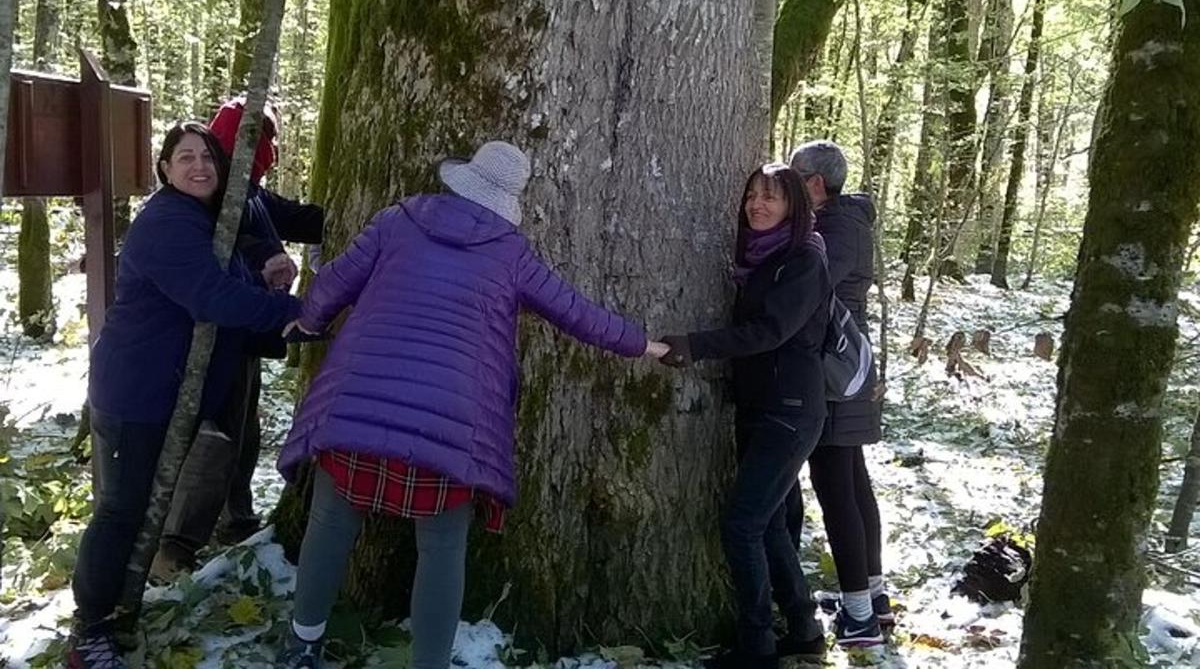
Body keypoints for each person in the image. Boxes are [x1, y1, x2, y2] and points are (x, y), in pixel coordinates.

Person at [273, 141, 668, 669]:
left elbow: (335, 283)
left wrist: (308, 322)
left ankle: (302, 645)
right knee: (441, 551)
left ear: (461, 180)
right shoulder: (511, 255)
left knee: (331, 521)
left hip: (357, 404)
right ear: (507, 201)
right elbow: (578, 313)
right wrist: (644, 344)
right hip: (452, 426)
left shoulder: (397, 221)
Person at [68, 123, 302, 669]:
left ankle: (117, 609)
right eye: (185, 157)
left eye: (208, 160)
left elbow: (235, 290)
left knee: (141, 503)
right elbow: (213, 297)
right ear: (165, 169)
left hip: (159, 393)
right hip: (134, 393)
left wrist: (274, 300)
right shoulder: (169, 222)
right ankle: (88, 632)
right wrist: (298, 315)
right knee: (121, 508)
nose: (199, 167)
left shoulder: (207, 221)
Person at [658, 163, 830, 669]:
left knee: (742, 525)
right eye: (753, 195)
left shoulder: (803, 261)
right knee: (771, 525)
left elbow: (769, 331)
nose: (758, 204)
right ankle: (802, 629)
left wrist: (693, 346)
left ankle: (757, 646)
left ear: (794, 207)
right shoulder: (759, 260)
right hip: (761, 407)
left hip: (791, 411)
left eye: (771, 197)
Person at [152, 98, 325, 579]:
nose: (268, 150)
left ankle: (234, 519)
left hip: (245, 332)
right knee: (213, 436)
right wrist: (263, 263)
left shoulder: (247, 191)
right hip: (211, 334)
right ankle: (175, 546)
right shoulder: (211, 198)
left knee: (240, 434)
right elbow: (215, 253)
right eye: (260, 140)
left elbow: (294, 218)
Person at [789, 140, 890, 647]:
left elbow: (809, 286)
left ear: (814, 184)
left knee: (836, 489)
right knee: (851, 481)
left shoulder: (835, 228)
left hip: (836, 369)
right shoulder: (845, 222)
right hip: (849, 366)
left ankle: (859, 618)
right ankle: (872, 597)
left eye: (793, 176)